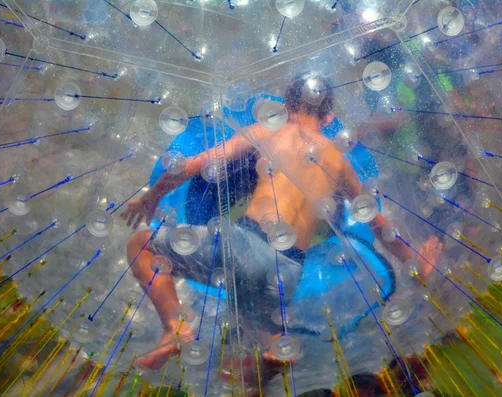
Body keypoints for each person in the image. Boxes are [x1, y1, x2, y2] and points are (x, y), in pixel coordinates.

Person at [121, 74, 441, 371]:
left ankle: (175, 328)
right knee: (264, 337)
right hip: (288, 270)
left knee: (140, 245)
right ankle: (272, 356)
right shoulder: (340, 162)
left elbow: (196, 164)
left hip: (247, 243)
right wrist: (416, 263)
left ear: (285, 107)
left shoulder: (270, 130)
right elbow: (378, 224)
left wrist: (149, 199)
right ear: (328, 118)